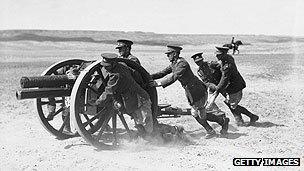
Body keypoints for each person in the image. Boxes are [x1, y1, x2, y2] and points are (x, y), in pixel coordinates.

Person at [149, 45, 230, 139]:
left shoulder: (182, 64)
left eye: (169, 54)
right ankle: (215, 127)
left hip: (197, 91)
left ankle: (221, 122)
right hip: (191, 92)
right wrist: (148, 76)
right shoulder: (174, 64)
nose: (168, 56)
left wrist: (158, 83)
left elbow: (174, 77)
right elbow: (162, 73)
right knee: (197, 113)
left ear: (175, 54)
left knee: (198, 113)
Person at [91, 53, 154, 138]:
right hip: (131, 98)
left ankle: (168, 135)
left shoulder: (116, 75)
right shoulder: (121, 65)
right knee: (140, 123)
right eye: (104, 66)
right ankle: (145, 139)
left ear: (113, 64)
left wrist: (97, 102)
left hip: (140, 99)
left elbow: (108, 92)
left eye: (107, 66)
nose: (105, 68)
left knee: (146, 124)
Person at [207, 46, 259, 126]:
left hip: (235, 86)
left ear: (224, 54)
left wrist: (218, 88)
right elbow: (219, 64)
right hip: (232, 86)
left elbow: (225, 78)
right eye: (216, 54)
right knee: (230, 104)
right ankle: (241, 119)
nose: (217, 56)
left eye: (219, 55)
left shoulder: (227, 65)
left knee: (231, 104)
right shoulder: (226, 59)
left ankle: (249, 117)